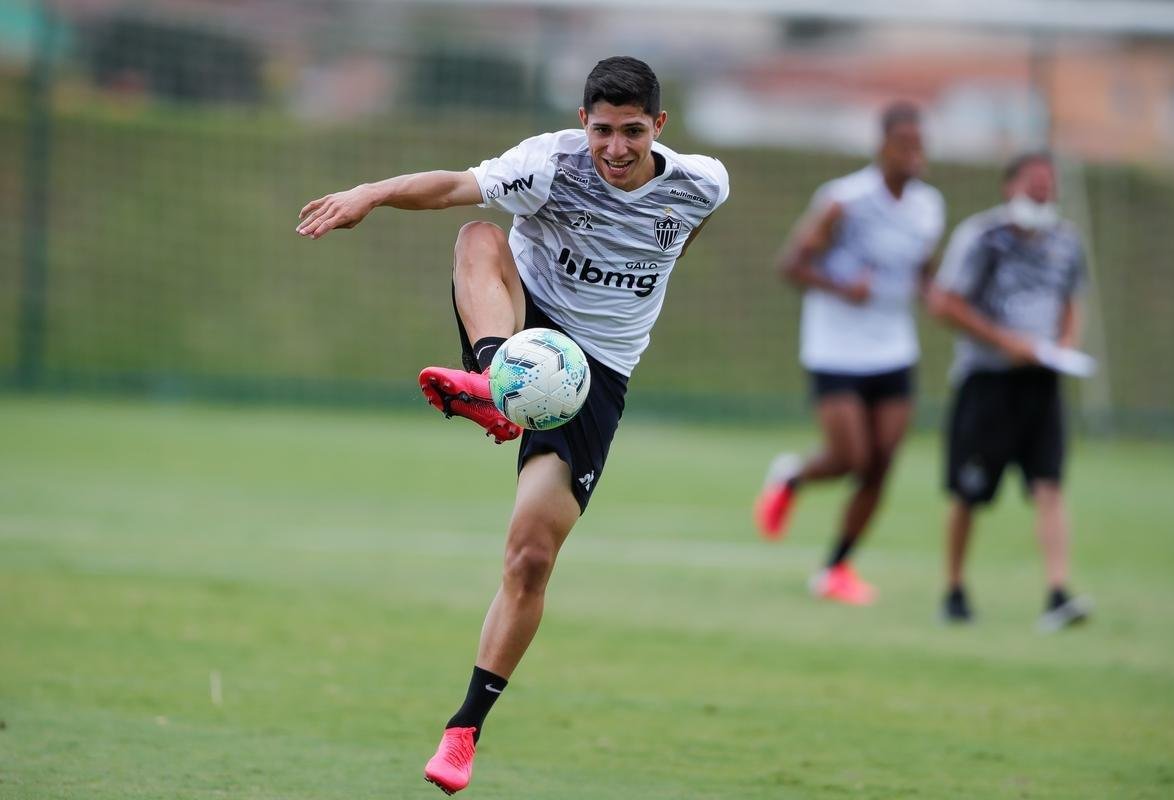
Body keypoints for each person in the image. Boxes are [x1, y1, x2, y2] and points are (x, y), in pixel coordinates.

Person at [296, 56, 728, 794]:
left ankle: (463, 730)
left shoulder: (702, 183)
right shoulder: (550, 162)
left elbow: (679, 237)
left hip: (601, 373)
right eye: (601, 130)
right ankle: (497, 380)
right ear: (583, 122)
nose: (615, 148)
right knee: (478, 237)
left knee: (530, 559)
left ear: (659, 127)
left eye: (631, 131)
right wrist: (369, 192)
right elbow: (452, 189)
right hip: (529, 325)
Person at [753, 102, 944, 605]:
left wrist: (935, 292)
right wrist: (841, 288)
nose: (913, 155)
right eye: (904, 145)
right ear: (881, 148)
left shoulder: (929, 207)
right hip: (835, 346)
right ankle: (792, 476)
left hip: (894, 348)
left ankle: (836, 568)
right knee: (850, 456)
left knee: (882, 462)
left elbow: (924, 270)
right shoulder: (844, 200)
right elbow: (791, 263)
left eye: (920, 146)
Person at [927, 151, 1091, 632]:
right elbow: (945, 302)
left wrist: (1063, 344)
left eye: (1049, 185)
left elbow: (1071, 302)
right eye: (1034, 184)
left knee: (1049, 483)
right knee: (969, 491)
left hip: (1041, 384)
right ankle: (954, 589)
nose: (1042, 193)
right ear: (1009, 186)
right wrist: (1006, 343)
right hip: (987, 382)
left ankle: (1058, 593)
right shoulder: (982, 237)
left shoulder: (1067, 242)